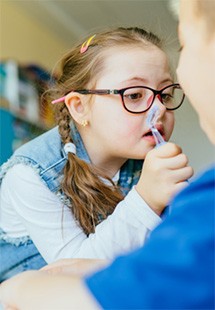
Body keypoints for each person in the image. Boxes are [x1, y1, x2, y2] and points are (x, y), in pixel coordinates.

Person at [0, 0, 214, 309]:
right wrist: (147, 199)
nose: (160, 110)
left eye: (165, 94)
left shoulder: (144, 164)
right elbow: (72, 271)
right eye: (135, 95)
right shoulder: (30, 175)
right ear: (79, 107)